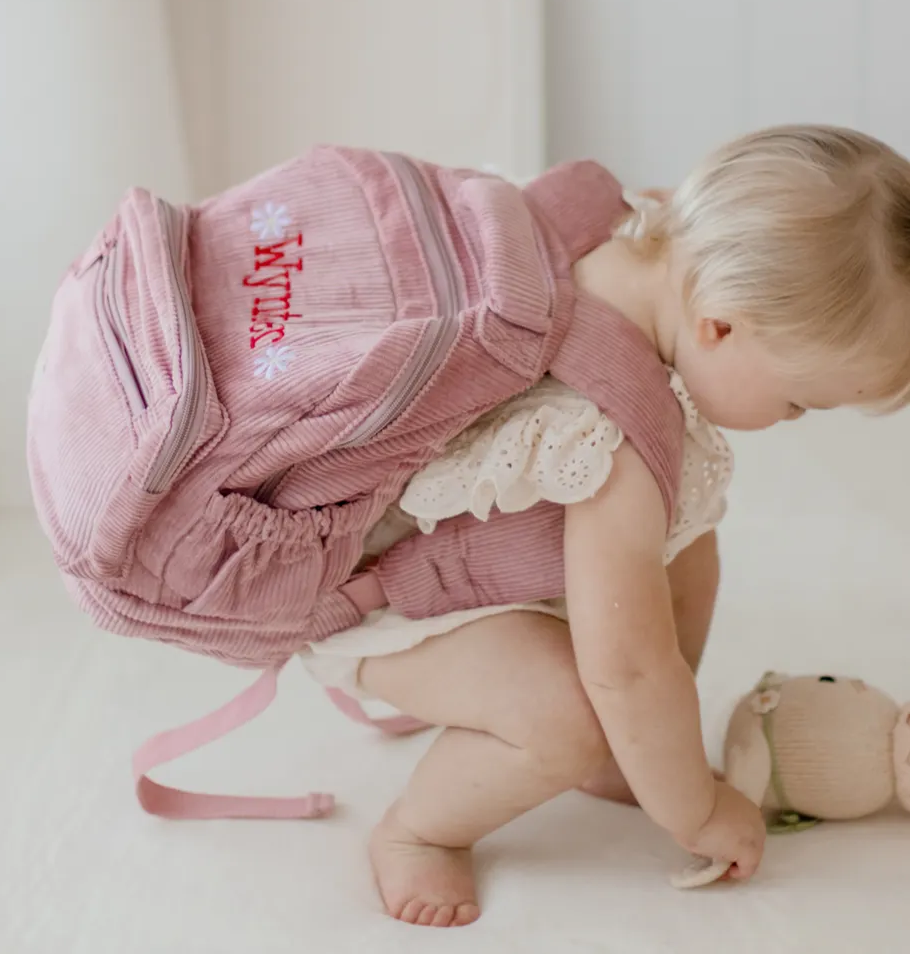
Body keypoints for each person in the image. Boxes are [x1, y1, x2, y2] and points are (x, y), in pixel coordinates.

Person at [297, 125, 910, 927]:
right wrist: (692, 809)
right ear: (718, 325)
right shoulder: (609, 433)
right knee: (575, 712)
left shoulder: (632, 228)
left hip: (457, 535)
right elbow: (625, 666)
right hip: (372, 591)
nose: (791, 420)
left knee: (686, 544)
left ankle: (639, 747)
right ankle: (419, 831)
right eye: (798, 401)